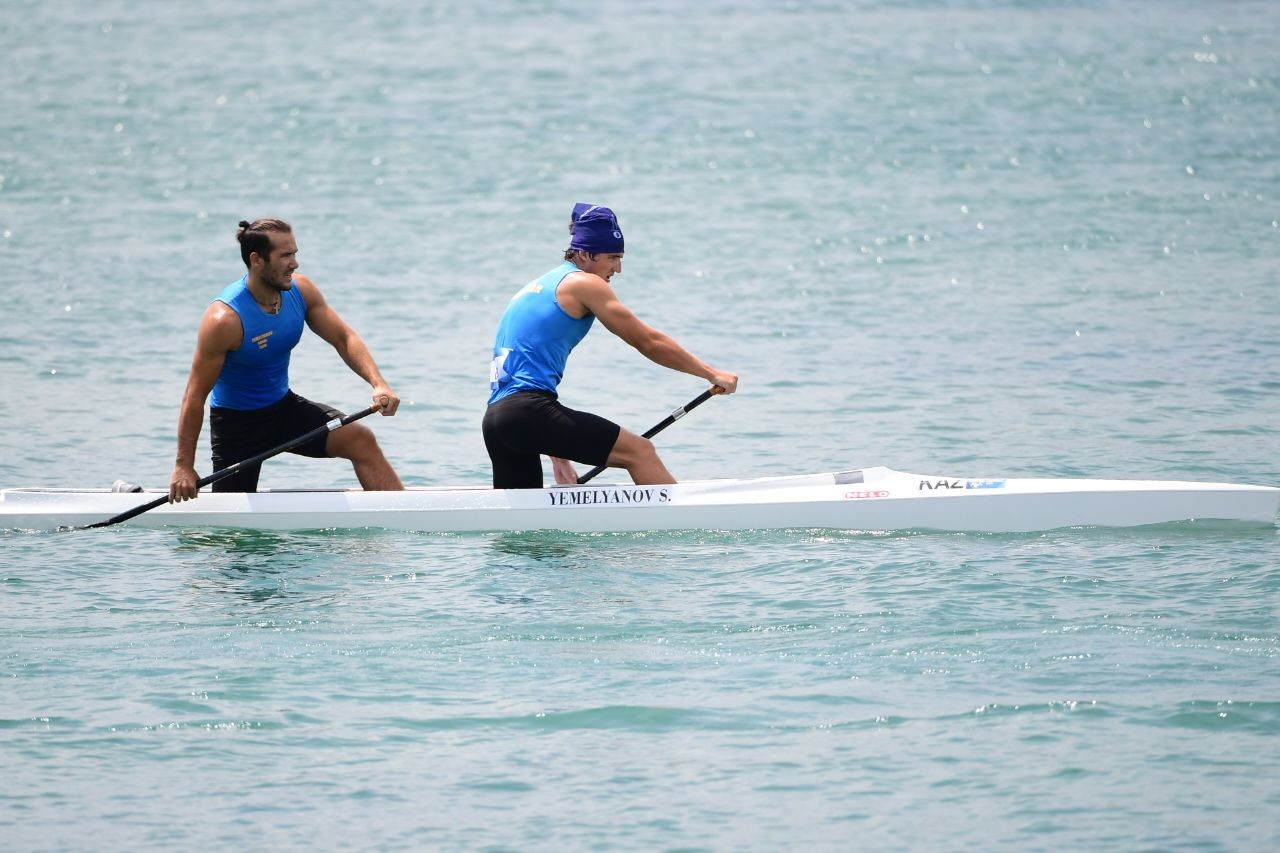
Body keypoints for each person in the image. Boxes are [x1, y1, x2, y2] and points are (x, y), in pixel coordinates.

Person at [483, 204, 738, 489]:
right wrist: (711, 373)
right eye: (612, 257)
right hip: (528, 413)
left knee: (523, 528)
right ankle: (687, 527)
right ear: (583, 254)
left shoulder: (534, 288)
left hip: (498, 421)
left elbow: (521, 376)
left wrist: (558, 454)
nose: (618, 268)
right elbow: (648, 342)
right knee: (640, 453)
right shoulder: (583, 283)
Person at [169, 218, 403, 501]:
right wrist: (183, 466)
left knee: (360, 440)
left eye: (294, 253)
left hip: (284, 410)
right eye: (285, 256)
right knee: (233, 529)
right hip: (237, 427)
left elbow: (344, 338)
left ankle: (402, 513)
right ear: (257, 260)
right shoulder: (224, 320)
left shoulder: (299, 292)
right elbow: (194, 397)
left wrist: (378, 383)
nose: (295, 263)